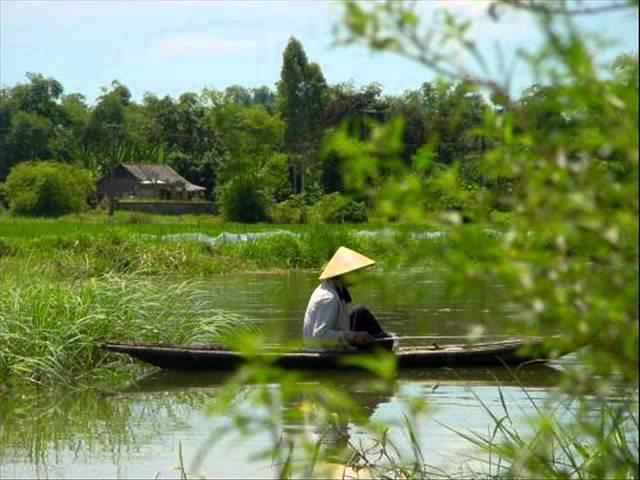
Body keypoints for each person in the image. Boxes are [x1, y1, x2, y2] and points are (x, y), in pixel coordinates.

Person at [302, 246, 395, 351]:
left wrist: (354, 336)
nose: (360, 276)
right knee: (385, 342)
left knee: (360, 313)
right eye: (356, 272)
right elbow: (321, 335)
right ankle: (385, 348)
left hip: (333, 344)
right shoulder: (328, 298)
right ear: (344, 274)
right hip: (324, 351)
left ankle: (384, 343)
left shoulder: (336, 289)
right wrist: (353, 337)